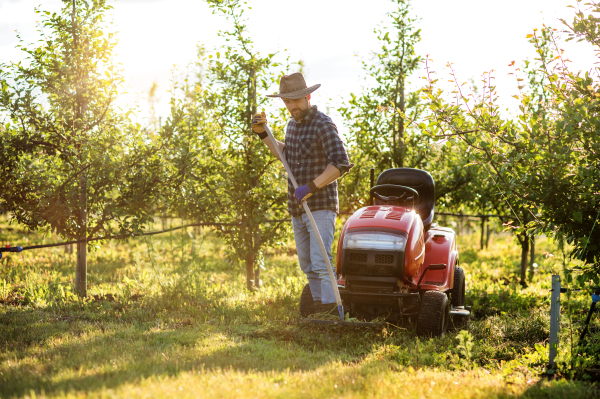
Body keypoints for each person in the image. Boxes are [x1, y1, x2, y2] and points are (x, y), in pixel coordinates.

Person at [251, 72, 353, 314]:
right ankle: (319, 310)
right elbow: (285, 155)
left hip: (320, 205)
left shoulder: (323, 124)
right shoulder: (291, 125)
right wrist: (264, 134)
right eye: (287, 101)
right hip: (297, 207)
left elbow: (341, 163)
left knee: (321, 261)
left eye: (296, 100)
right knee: (307, 264)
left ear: (308, 96)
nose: (292, 106)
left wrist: (312, 187)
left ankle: (332, 312)